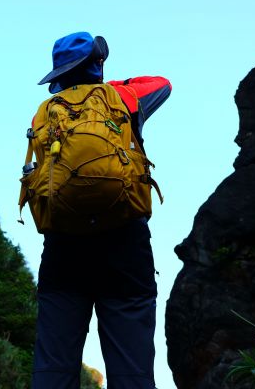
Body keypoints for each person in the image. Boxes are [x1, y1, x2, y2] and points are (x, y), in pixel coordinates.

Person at [31, 31, 171, 389]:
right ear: (98, 63)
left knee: (53, 366)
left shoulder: (48, 111)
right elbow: (163, 84)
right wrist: (109, 81)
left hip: (63, 245)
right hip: (125, 243)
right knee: (131, 369)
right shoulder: (122, 97)